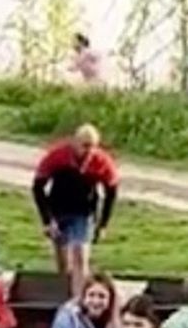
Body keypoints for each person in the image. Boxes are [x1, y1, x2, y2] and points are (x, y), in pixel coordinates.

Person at [32, 125, 121, 299]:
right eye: (84, 145)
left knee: (80, 253)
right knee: (62, 258)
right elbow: (38, 187)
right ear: (75, 143)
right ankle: (64, 294)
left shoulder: (101, 161)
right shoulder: (58, 157)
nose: (87, 150)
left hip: (83, 211)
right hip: (58, 208)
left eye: (91, 146)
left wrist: (103, 224)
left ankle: (80, 298)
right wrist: (47, 220)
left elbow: (111, 191)